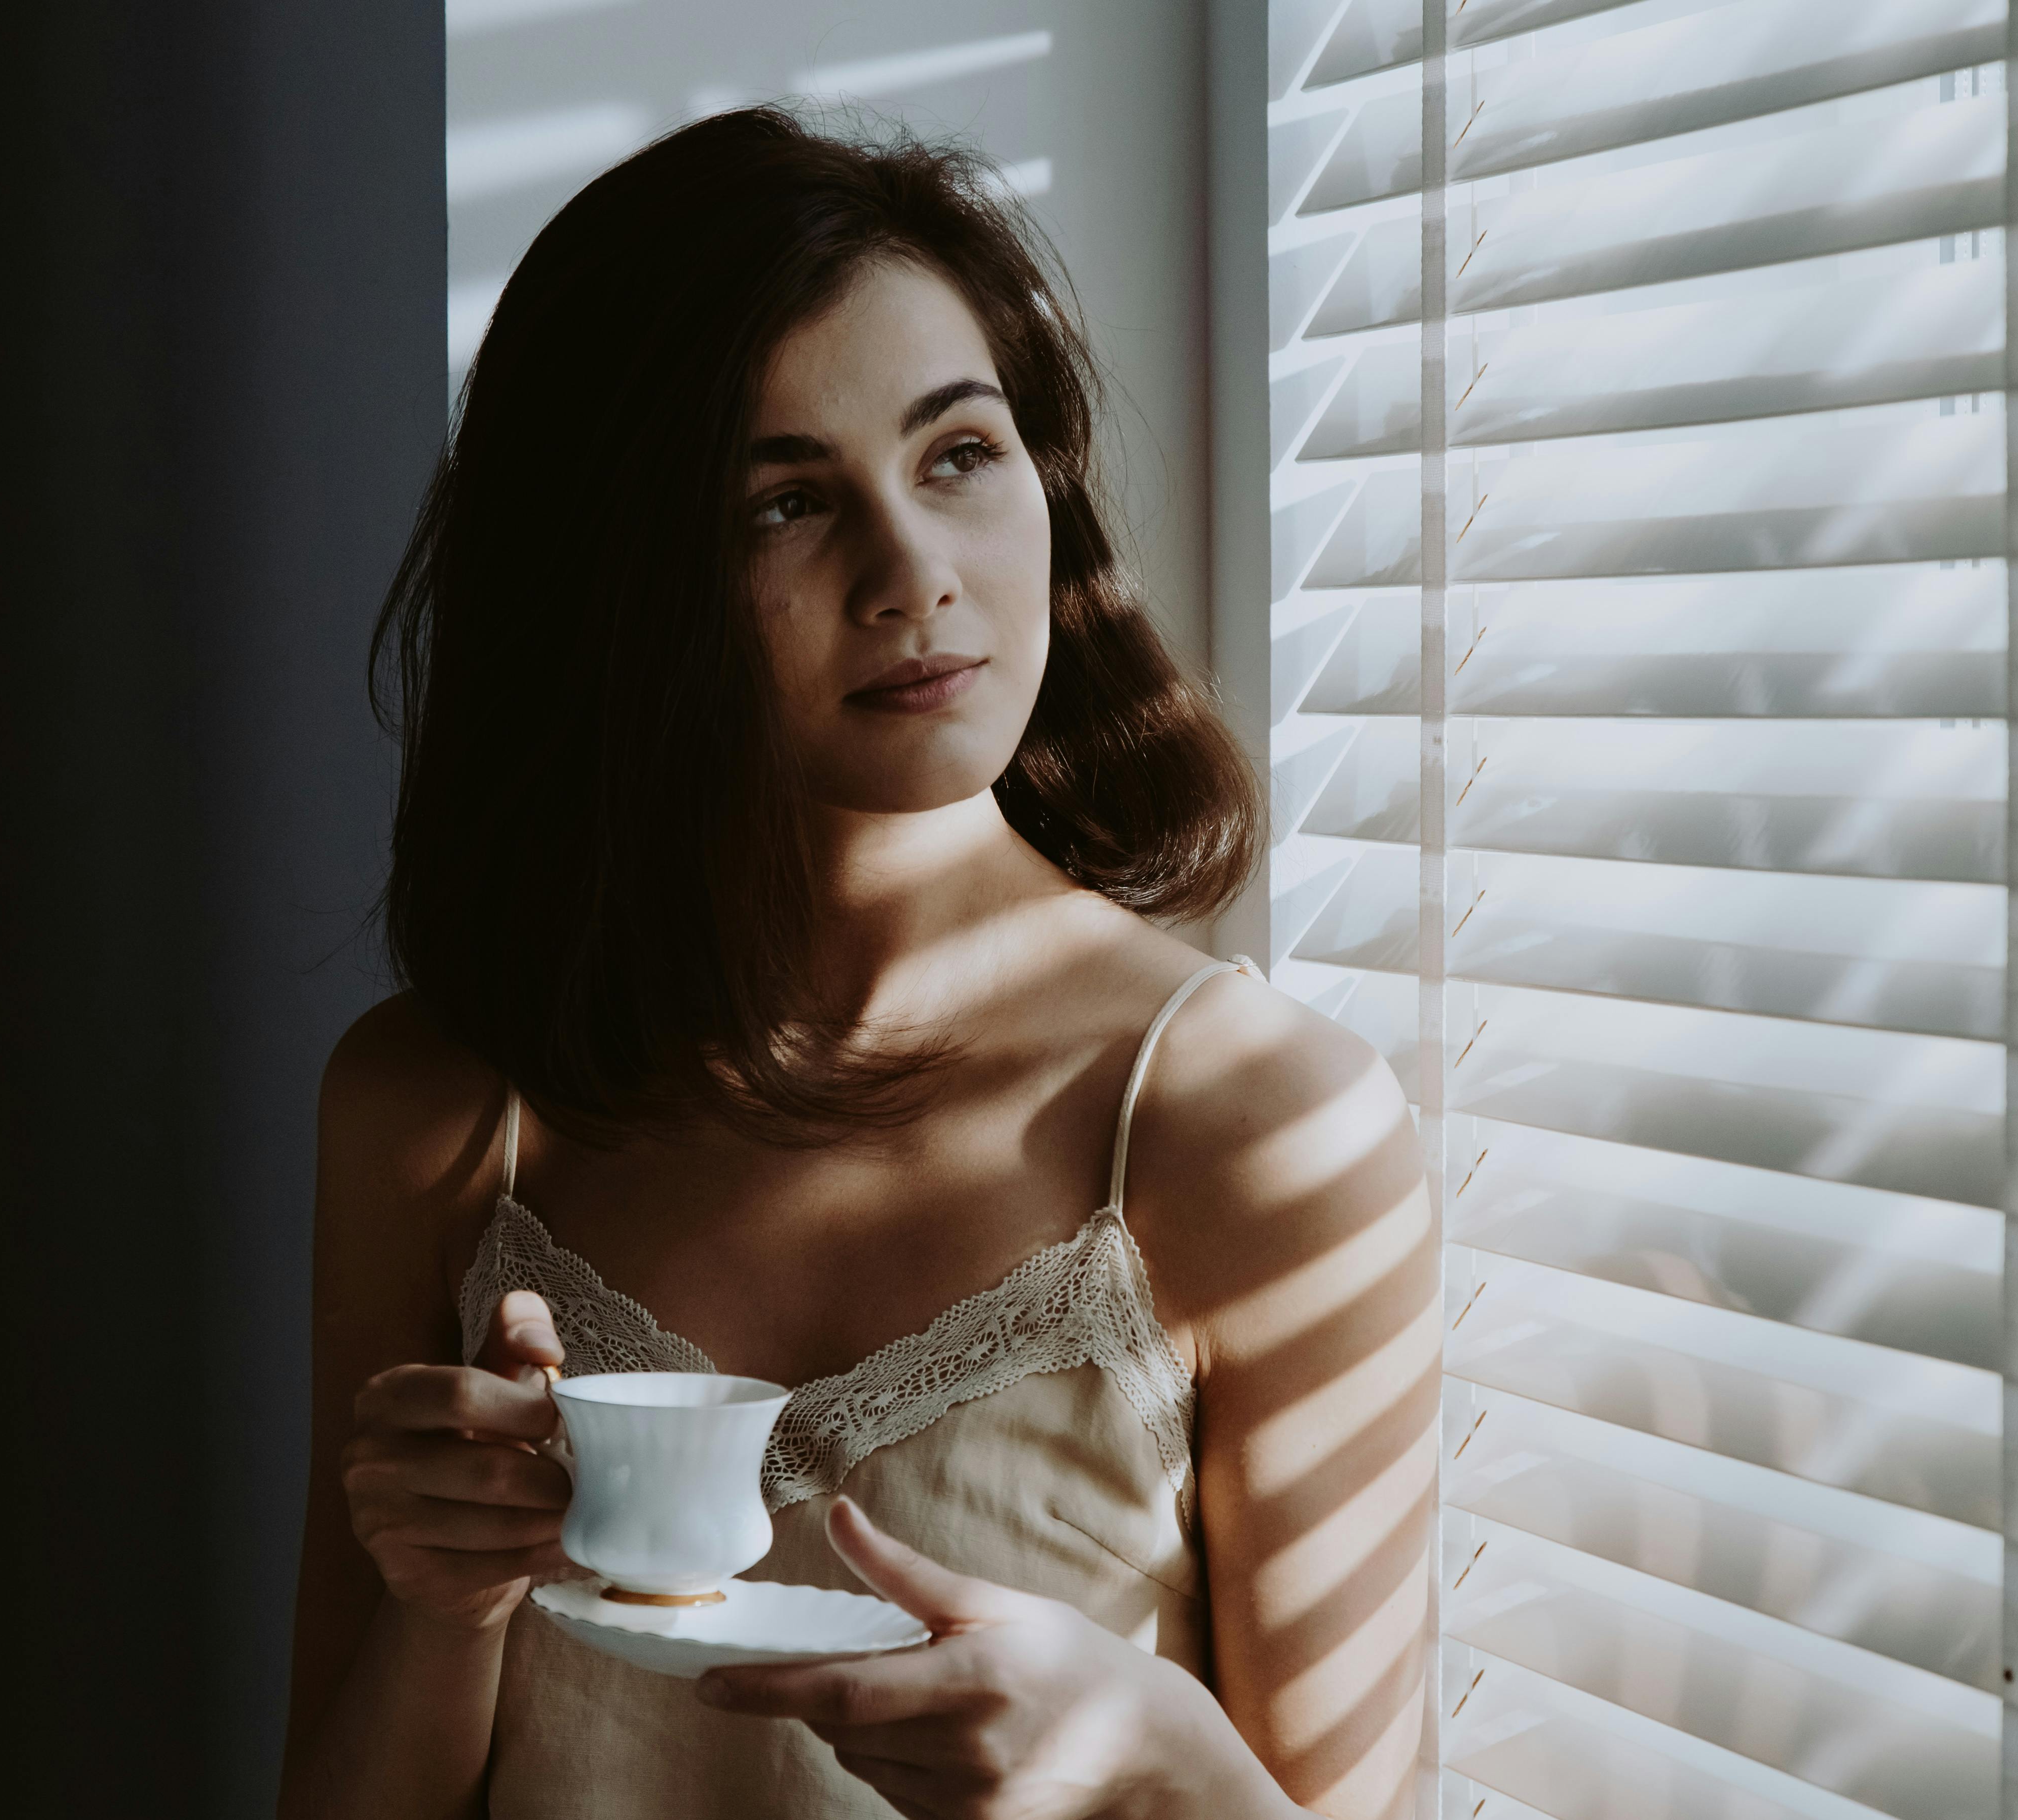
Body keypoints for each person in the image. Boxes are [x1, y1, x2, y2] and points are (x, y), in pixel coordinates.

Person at [279, 108, 1437, 1820]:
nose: (912, 576)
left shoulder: (1248, 1127)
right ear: (616, 580)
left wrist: (1156, 1744)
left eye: (956, 455)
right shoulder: (445, 1113)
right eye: (784, 503)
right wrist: (449, 1610)